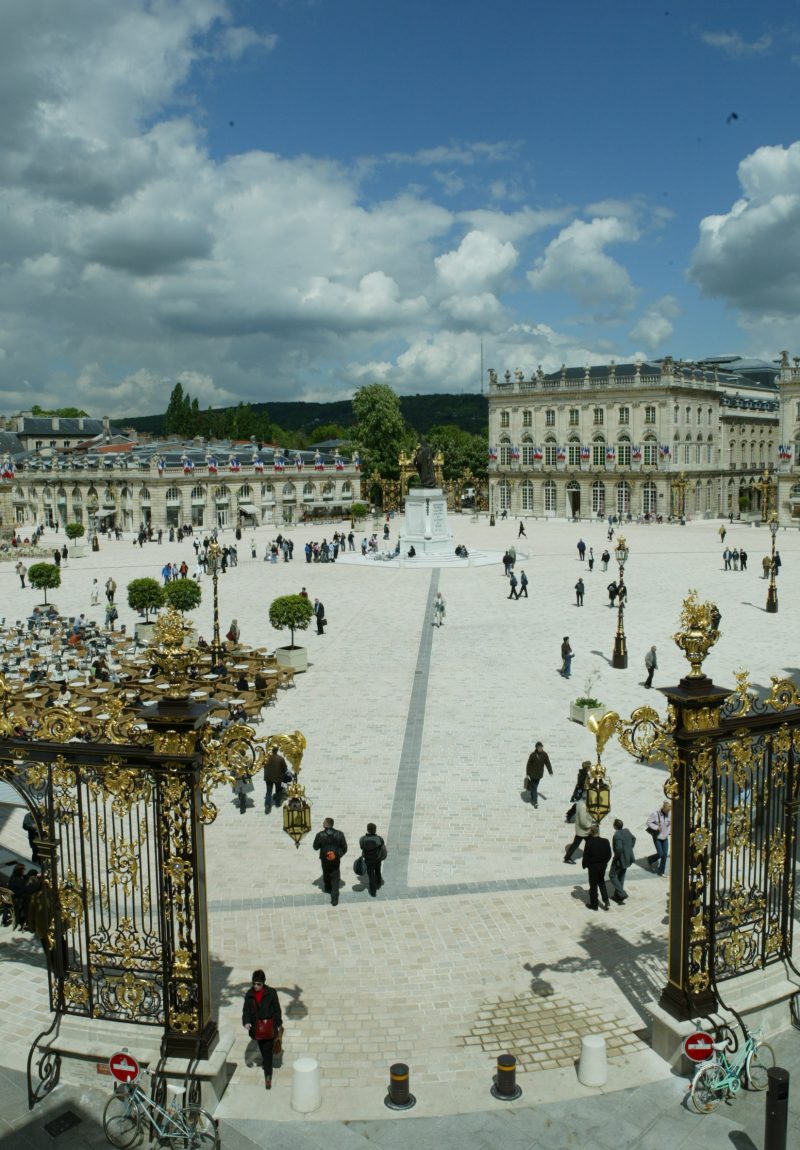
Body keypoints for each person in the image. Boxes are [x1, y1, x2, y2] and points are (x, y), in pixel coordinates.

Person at [242, 969, 282, 1090]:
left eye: (258, 984)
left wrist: (278, 1023)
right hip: (256, 1029)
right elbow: (246, 1010)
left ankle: (268, 1076)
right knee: (262, 1048)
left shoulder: (271, 993)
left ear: (263, 983)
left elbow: (277, 1009)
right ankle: (266, 1061)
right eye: (254, 983)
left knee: (267, 1051)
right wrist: (246, 1022)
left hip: (269, 1027)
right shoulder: (249, 995)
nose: (256, 986)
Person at [312, 817, 347, 905]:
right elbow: (344, 848)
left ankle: (327, 888)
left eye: (324, 822)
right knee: (335, 877)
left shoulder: (320, 835)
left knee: (326, 872)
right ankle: (335, 898)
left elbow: (315, 847)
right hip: (336, 859)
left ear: (327, 825)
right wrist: (338, 855)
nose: (322, 823)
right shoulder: (340, 834)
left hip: (324, 859)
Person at [582, 824, 611, 910]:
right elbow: (609, 855)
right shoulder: (605, 841)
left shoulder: (589, 843)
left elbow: (586, 856)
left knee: (593, 886)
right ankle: (606, 901)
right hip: (602, 866)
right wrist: (604, 863)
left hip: (593, 868)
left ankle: (594, 905)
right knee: (601, 883)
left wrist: (585, 865)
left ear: (591, 832)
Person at [609, 818, 636, 904]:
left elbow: (619, 848)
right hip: (628, 858)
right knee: (621, 876)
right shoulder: (627, 831)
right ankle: (618, 897)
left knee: (612, 875)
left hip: (620, 859)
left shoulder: (617, 835)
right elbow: (634, 839)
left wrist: (615, 858)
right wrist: (629, 848)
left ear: (615, 826)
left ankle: (622, 893)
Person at [358, 822, 386, 897]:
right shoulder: (379, 839)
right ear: (375, 830)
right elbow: (382, 847)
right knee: (378, 871)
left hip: (368, 860)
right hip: (377, 859)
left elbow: (361, 847)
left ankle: (373, 892)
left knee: (371, 876)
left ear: (367, 830)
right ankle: (378, 884)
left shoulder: (363, 839)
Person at [564, 793, 592, 863]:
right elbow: (583, 820)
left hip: (581, 829)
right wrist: (590, 825)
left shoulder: (580, 803)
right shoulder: (582, 806)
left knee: (588, 843)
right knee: (576, 844)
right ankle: (567, 858)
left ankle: (567, 858)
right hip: (583, 830)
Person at [646, 800, 672, 876]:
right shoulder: (655, 814)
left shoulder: (669, 814)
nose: (668, 813)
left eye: (669, 811)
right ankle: (650, 859)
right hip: (657, 837)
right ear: (663, 808)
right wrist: (656, 827)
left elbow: (670, 823)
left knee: (665, 855)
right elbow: (648, 822)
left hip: (665, 837)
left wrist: (669, 831)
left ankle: (661, 871)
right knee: (660, 854)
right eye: (667, 811)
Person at [525, 741, 552, 809]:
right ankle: (535, 802)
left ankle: (532, 794)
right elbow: (528, 765)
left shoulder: (544, 755)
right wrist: (528, 773)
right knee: (535, 787)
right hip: (532, 774)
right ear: (536, 748)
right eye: (538, 747)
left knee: (535, 786)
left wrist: (550, 771)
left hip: (539, 774)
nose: (540, 749)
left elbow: (547, 763)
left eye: (541, 747)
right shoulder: (533, 755)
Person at [263, 745, 289, 812]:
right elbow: (285, 769)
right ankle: (277, 803)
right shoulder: (280, 758)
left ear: (272, 750)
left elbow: (263, 765)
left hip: (268, 777)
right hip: (278, 778)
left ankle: (267, 805)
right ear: (277, 750)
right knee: (278, 791)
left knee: (268, 792)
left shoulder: (266, 758)